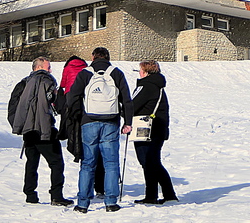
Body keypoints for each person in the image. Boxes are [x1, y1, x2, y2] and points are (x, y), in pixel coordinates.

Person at [65, 47, 133, 213]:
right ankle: (111, 202)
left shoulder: (85, 73)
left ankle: (82, 204)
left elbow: (71, 96)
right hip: (111, 122)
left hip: (88, 122)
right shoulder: (116, 73)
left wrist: (78, 116)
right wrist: (128, 122)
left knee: (88, 164)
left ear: (93, 57)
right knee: (110, 164)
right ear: (108, 57)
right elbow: (127, 100)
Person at [8, 57, 72, 207]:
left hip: (28, 131)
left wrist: (20, 125)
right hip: (45, 130)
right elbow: (55, 103)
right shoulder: (47, 81)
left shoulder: (23, 83)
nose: (50, 70)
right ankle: (56, 195)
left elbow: (13, 106)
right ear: (38, 68)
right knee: (56, 163)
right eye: (48, 67)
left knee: (31, 162)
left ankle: (30, 195)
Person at [130, 60, 178, 205]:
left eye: (140, 70)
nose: (139, 73)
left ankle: (164, 194)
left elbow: (133, 105)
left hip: (148, 128)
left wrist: (122, 112)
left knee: (150, 162)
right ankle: (155, 194)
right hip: (158, 128)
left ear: (145, 71)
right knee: (151, 162)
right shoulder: (157, 86)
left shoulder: (147, 86)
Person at [57, 55, 105, 198]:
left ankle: (86, 189)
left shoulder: (67, 68)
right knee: (97, 151)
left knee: (84, 151)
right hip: (88, 108)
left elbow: (63, 86)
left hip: (73, 109)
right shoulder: (87, 69)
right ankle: (100, 187)